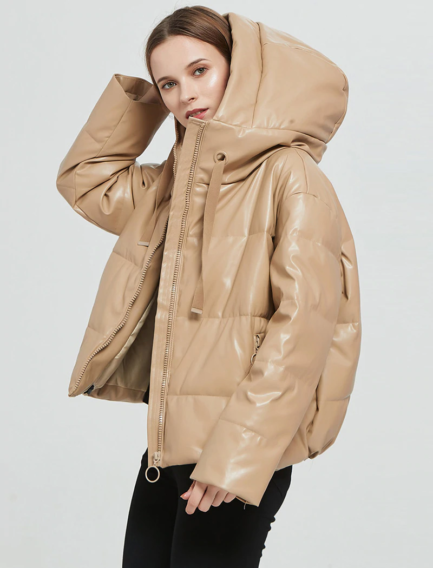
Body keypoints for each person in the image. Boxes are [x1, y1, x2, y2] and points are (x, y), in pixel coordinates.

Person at [56, 6, 362, 567]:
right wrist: (143, 99)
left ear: (240, 70)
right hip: (168, 447)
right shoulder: (173, 186)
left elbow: (302, 330)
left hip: (239, 452)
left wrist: (235, 456)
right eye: (168, 83)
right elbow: (86, 178)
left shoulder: (291, 174)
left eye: (200, 71)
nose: (185, 94)